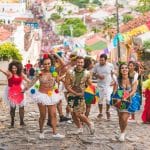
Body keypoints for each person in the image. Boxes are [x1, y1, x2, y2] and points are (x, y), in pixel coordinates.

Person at [24, 54, 65, 139]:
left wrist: (56, 55)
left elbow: (63, 65)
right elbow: (33, 82)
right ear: (42, 64)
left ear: (51, 63)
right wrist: (25, 88)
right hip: (41, 95)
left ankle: (55, 133)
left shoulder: (54, 71)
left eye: (49, 63)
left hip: (52, 95)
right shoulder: (40, 73)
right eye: (45, 64)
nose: (47, 65)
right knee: (43, 115)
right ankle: (41, 131)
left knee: (53, 114)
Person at [65, 56, 95, 134]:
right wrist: (74, 93)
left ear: (83, 63)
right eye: (78, 62)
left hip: (81, 95)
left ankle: (89, 123)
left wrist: (88, 93)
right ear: (76, 62)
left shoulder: (87, 73)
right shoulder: (69, 72)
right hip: (71, 95)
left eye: (81, 62)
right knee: (72, 113)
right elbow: (67, 86)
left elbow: (90, 85)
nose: (80, 64)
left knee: (79, 113)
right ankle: (79, 127)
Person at [111, 63, 139, 141]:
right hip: (120, 99)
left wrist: (127, 96)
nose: (124, 69)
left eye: (126, 68)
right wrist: (114, 97)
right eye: (122, 68)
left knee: (124, 118)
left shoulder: (133, 79)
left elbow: (133, 90)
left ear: (128, 69)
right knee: (120, 117)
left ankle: (123, 133)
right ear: (120, 70)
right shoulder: (118, 80)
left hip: (129, 100)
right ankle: (121, 132)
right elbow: (115, 90)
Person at [0, 60, 30, 127]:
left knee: (22, 106)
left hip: (20, 90)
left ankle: (22, 121)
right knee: (12, 107)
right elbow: (2, 71)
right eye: (13, 68)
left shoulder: (21, 74)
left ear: (18, 68)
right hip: (11, 91)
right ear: (11, 68)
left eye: (15, 68)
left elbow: (28, 81)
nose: (14, 69)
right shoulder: (9, 74)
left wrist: (28, 86)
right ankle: (12, 122)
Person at [93, 54, 114, 120]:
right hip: (100, 85)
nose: (101, 61)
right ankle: (100, 113)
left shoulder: (110, 65)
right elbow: (93, 73)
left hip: (108, 85)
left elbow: (112, 74)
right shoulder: (96, 65)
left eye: (102, 60)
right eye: (100, 60)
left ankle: (107, 111)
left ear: (106, 60)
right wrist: (98, 76)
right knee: (100, 100)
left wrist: (113, 81)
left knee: (108, 99)